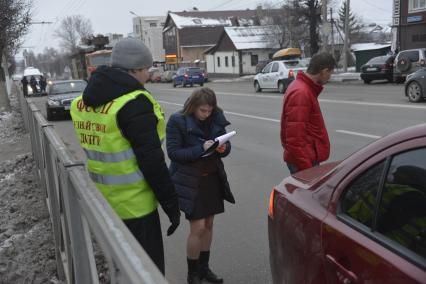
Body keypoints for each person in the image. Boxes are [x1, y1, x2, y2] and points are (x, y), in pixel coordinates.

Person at [69, 38, 180, 274]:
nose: (148, 76)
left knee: (119, 268)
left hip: (103, 202)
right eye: (145, 70)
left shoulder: (81, 102)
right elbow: (152, 161)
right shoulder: (134, 103)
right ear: (133, 70)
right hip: (136, 208)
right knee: (146, 272)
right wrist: (171, 204)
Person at [166, 87, 235, 284]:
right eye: (202, 110)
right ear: (193, 106)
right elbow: (174, 153)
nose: (206, 114)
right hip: (190, 180)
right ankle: (192, 273)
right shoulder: (177, 121)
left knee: (209, 225)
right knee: (198, 228)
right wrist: (200, 149)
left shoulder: (216, 117)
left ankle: (204, 268)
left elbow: (226, 146)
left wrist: (223, 148)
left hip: (211, 177)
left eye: (210, 110)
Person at [280, 52, 336, 174]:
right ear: (324, 71)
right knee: (305, 193)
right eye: (330, 73)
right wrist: (307, 170)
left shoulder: (303, 87)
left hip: (306, 157)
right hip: (304, 161)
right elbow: (294, 140)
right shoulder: (301, 92)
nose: (329, 77)